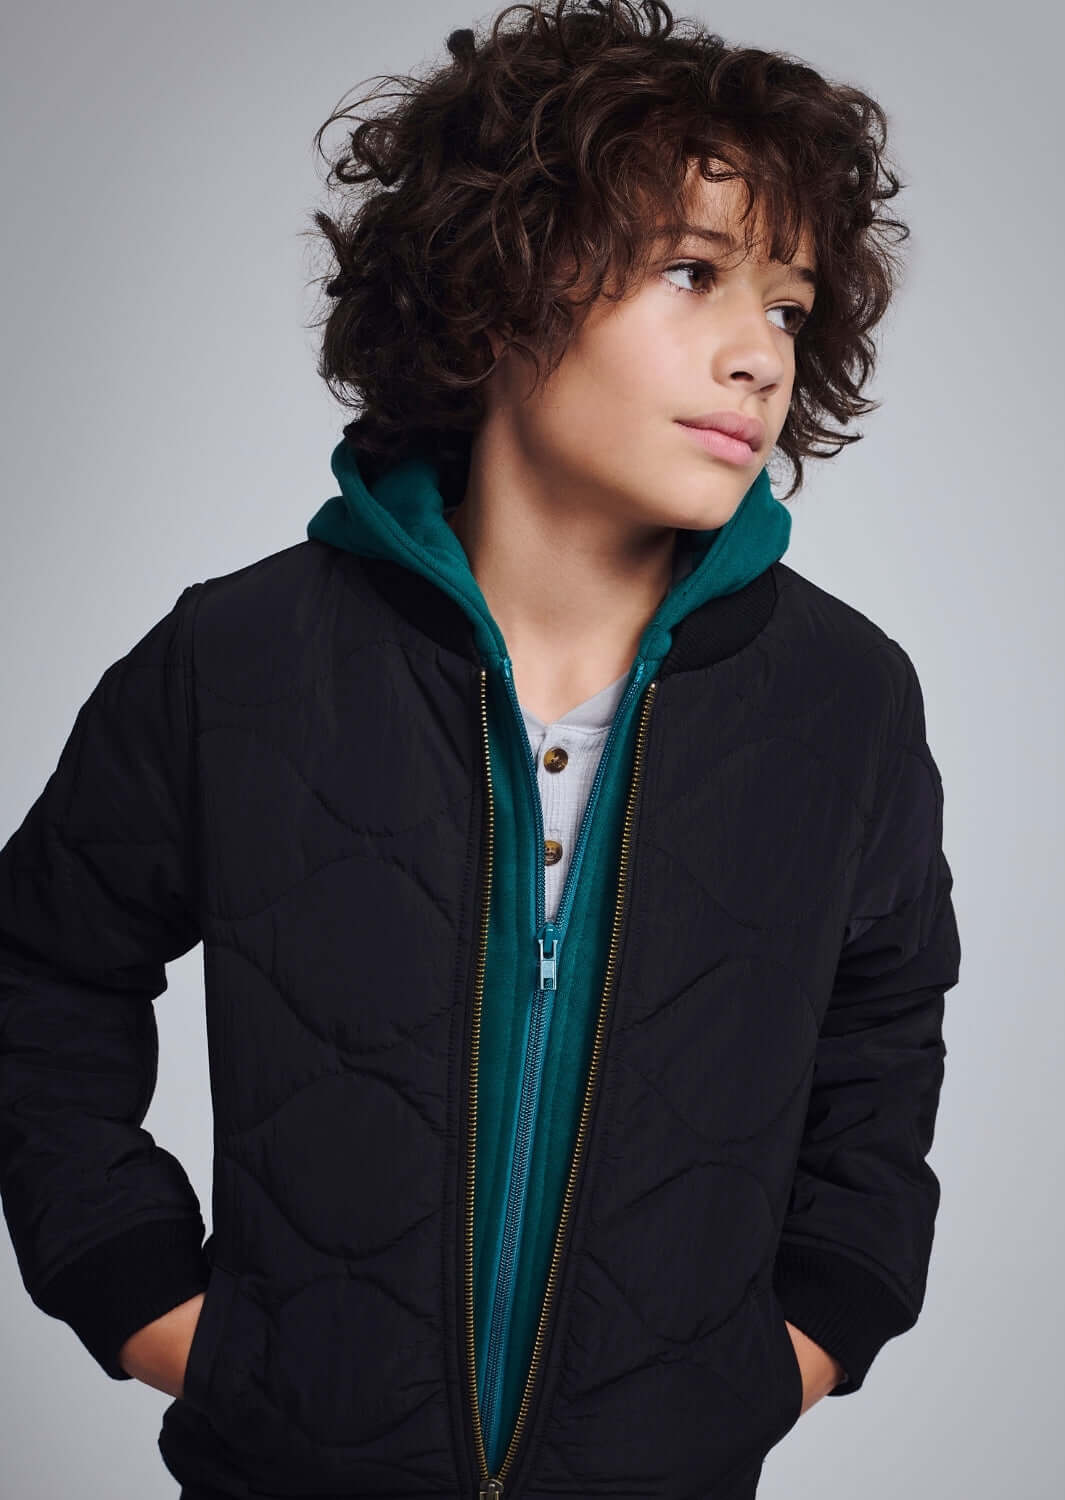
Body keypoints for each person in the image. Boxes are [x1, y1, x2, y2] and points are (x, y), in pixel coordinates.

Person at [0, 2, 961, 1496]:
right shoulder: (238, 660)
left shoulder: (844, 699)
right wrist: (152, 1304)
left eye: (789, 307)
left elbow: (883, 1038)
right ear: (499, 284)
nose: (759, 358)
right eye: (694, 273)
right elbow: (39, 972)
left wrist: (806, 1339)